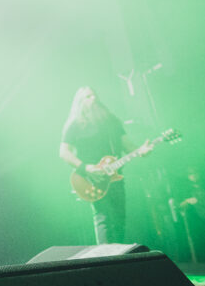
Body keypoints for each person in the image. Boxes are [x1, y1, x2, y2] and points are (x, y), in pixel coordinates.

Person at [59, 87, 153, 244]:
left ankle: (119, 258)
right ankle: (106, 260)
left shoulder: (111, 121)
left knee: (119, 218)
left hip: (115, 177)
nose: (93, 98)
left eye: (94, 95)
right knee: (104, 218)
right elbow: (64, 152)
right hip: (92, 178)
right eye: (88, 97)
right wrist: (86, 168)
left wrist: (142, 150)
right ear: (80, 103)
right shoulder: (75, 124)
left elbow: (127, 145)